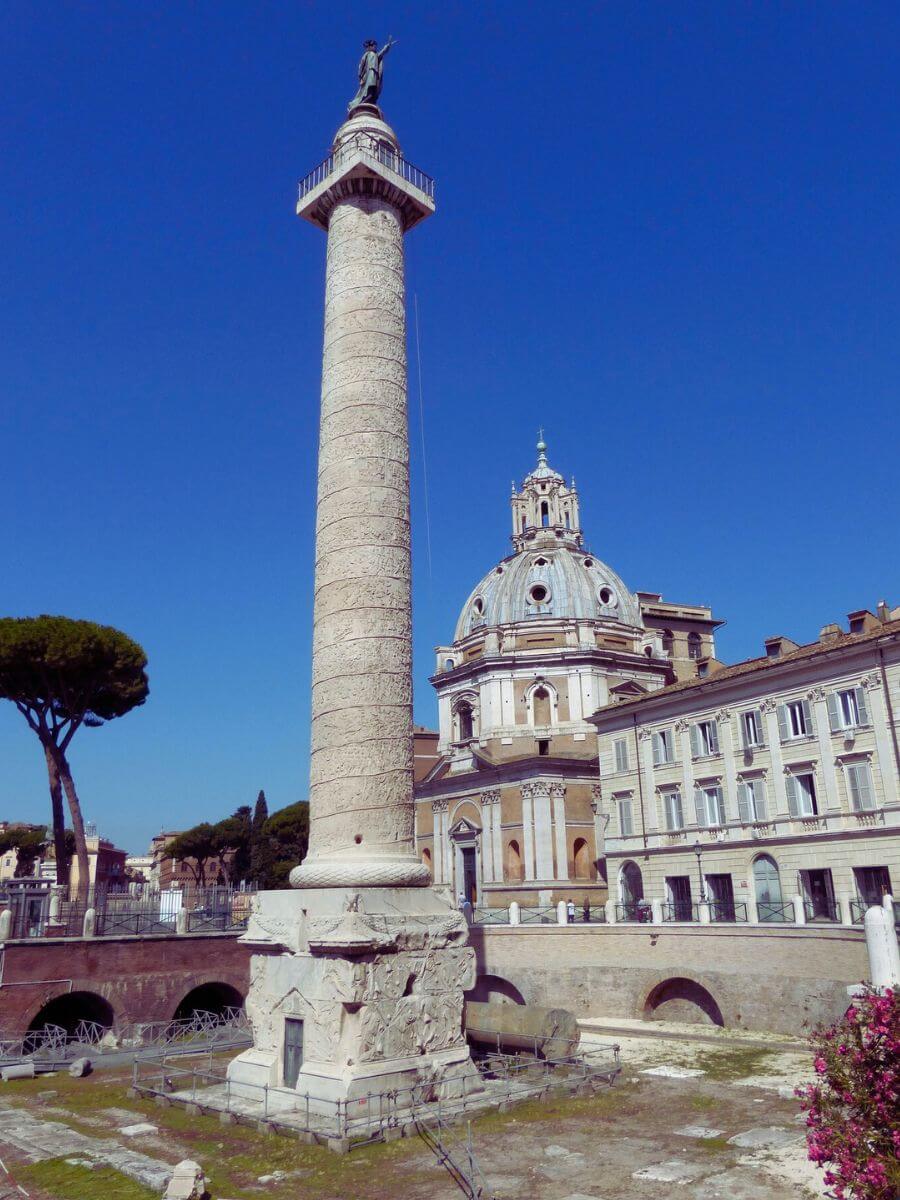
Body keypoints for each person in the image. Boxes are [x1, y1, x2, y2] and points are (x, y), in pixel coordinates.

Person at [348, 36, 396, 112]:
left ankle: (367, 100)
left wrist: (387, 46)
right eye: (374, 46)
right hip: (368, 74)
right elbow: (361, 65)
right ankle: (362, 102)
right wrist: (360, 77)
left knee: (373, 89)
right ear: (370, 46)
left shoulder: (375, 55)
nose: (375, 48)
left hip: (374, 73)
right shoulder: (367, 54)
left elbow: (382, 53)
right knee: (369, 88)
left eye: (375, 46)